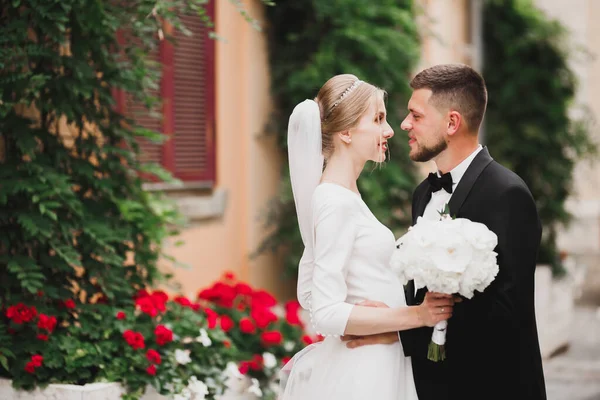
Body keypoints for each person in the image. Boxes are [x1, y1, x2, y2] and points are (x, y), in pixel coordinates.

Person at [345, 64, 547, 400]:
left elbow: (508, 315)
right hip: (428, 386)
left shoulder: (506, 193)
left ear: (452, 122)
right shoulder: (423, 193)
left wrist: (401, 329)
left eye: (416, 116)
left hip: (492, 386)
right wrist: (393, 314)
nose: (405, 125)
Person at [279, 74, 456, 400]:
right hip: (364, 371)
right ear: (345, 132)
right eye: (378, 119)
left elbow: (307, 291)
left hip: (377, 359)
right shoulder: (334, 201)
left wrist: (375, 313)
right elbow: (324, 312)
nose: (389, 130)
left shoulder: (342, 194)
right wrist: (416, 315)